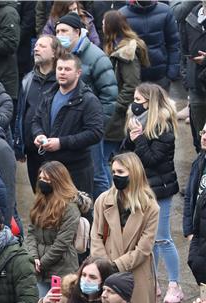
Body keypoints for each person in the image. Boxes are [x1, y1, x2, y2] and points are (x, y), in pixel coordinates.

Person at [122, 83, 182, 303]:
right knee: (147, 238)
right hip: (142, 189)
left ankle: (175, 284)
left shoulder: (163, 126)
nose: (135, 104)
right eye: (134, 99)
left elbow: (151, 159)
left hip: (161, 189)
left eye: (139, 100)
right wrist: (132, 136)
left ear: (150, 102)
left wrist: (138, 138)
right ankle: (153, 281)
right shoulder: (138, 121)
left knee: (162, 238)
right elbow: (126, 151)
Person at [91, 152, 159, 303]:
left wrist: (117, 266)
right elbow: (95, 237)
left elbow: (144, 249)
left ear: (134, 173)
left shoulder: (150, 207)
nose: (115, 176)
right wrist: (105, 266)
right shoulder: (103, 201)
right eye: (113, 171)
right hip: (105, 273)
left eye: (120, 171)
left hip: (136, 274)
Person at [54, 12, 117, 195]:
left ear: (77, 32)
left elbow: (110, 95)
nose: (60, 35)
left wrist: (96, 127)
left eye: (64, 31)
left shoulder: (97, 57)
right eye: (57, 31)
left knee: (97, 175)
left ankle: (103, 215)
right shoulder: (62, 56)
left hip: (89, 129)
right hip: (70, 130)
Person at [31, 51, 104, 196]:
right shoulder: (48, 95)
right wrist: (38, 134)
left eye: (67, 69)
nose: (62, 73)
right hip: (49, 167)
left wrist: (61, 143)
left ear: (78, 73)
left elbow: (95, 133)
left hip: (76, 170)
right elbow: (36, 120)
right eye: (59, 69)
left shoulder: (88, 100)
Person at [24, 161, 81, 298]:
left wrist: (42, 262)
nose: (43, 182)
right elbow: (31, 232)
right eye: (41, 179)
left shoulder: (70, 208)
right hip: (40, 271)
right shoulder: (40, 202)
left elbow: (62, 243)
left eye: (47, 180)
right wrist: (34, 258)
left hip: (62, 270)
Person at [101, 10, 148, 164]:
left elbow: (131, 85)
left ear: (110, 26)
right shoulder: (115, 47)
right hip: (116, 112)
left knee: (111, 158)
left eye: (104, 22)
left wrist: (116, 106)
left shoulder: (126, 52)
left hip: (118, 116)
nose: (101, 25)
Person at [16, 34, 60, 188]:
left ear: (54, 52)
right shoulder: (28, 79)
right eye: (36, 46)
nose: (36, 48)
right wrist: (20, 146)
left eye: (42, 46)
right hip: (33, 149)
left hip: (55, 150)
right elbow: (21, 113)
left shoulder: (61, 80)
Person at [119, 0, 179, 88]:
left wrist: (171, 73)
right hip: (134, 78)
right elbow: (118, 47)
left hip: (160, 77)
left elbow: (173, 43)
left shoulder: (165, 11)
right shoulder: (121, 15)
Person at [180, 3, 206, 151]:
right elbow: (183, 51)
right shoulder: (190, 18)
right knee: (199, 137)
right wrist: (187, 77)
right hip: (196, 86)